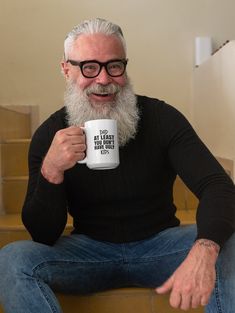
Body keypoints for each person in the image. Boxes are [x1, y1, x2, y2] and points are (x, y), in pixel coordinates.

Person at [0, 18, 234, 313]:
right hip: (87, 253)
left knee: (227, 241)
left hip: (162, 246)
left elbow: (218, 186)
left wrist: (205, 249)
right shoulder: (50, 136)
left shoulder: (162, 118)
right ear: (66, 69)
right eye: (89, 67)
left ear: (125, 66)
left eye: (114, 66)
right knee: (12, 258)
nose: (103, 79)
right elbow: (42, 234)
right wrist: (52, 170)